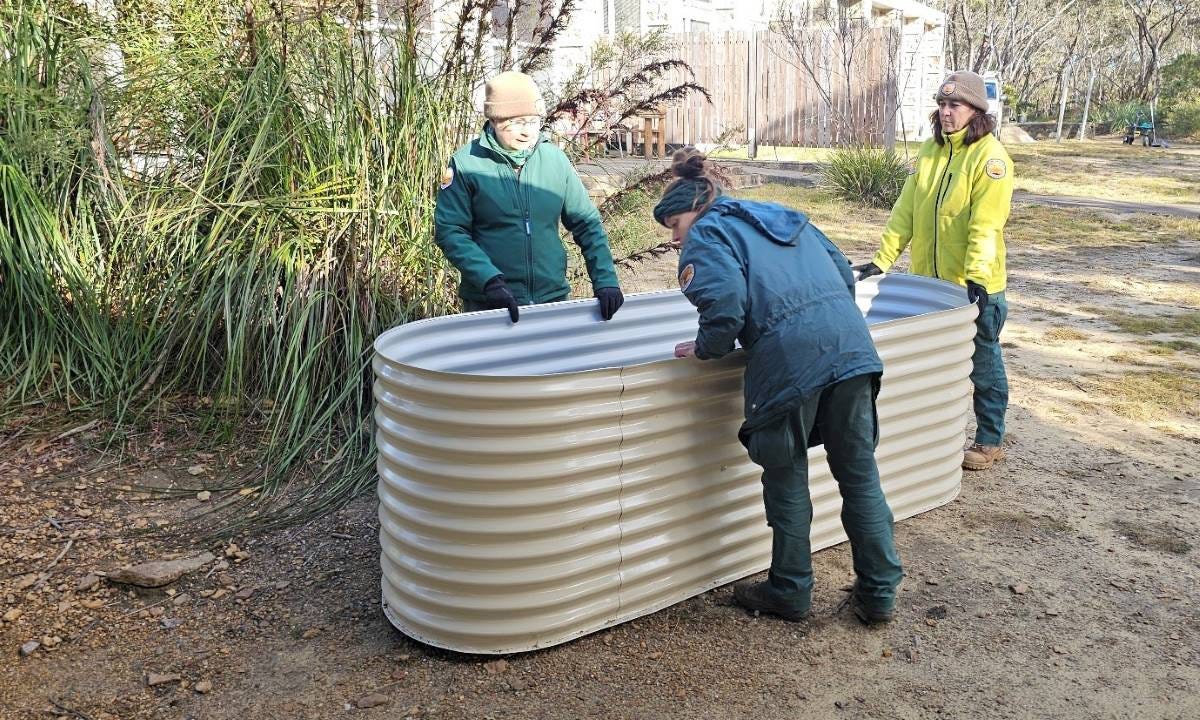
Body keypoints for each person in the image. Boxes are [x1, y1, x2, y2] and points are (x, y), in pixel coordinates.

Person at [658, 149, 903, 625]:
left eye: (674, 223)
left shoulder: (706, 235)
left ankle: (790, 589)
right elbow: (840, 272)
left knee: (785, 475)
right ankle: (879, 593)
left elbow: (725, 306)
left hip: (790, 362)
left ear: (696, 207)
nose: (674, 238)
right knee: (859, 475)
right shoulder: (785, 216)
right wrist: (827, 324)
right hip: (851, 349)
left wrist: (708, 348)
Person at [855, 70, 1014, 472]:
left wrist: (976, 276)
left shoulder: (990, 159)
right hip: (931, 286)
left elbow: (986, 224)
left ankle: (990, 439)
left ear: (976, 111)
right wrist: (883, 259)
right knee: (929, 365)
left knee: (983, 364)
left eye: (954, 105)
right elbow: (905, 212)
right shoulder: (931, 151)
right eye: (941, 105)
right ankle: (925, 438)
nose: (945, 112)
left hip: (975, 288)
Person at [434, 70, 624, 324]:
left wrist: (606, 280)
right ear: (493, 121)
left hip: (551, 301)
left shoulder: (554, 160)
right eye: (516, 123)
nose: (527, 132)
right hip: (490, 303)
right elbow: (450, 230)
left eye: (533, 121)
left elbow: (586, 223)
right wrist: (488, 279)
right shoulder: (466, 164)